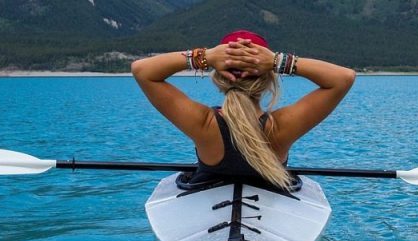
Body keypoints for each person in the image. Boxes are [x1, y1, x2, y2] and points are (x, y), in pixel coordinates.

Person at [131, 30, 355, 190]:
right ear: (269, 78)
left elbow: (142, 70)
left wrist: (205, 56)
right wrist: (278, 60)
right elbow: (343, 78)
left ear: (219, 76)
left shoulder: (203, 123)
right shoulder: (281, 127)